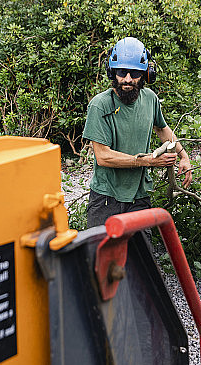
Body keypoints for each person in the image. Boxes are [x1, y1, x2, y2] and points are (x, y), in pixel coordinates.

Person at [82, 37, 192, 230]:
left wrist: (184, 156)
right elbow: (103, 157)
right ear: (112, 72)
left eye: (134, 74)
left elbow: (162, 128)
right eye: (122, 72)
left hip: (139, 195)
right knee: (101, 258)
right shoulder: (100, 105)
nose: (127, 79)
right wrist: (148, 160)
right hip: (106, 198)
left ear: (146, 74)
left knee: (142, 256)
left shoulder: (150, 99)